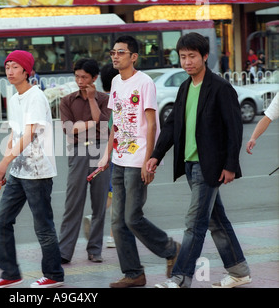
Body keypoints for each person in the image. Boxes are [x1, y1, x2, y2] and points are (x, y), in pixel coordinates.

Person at [146, 32, 251, 288]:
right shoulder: (184, 88)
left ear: (205, 57)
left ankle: (180, 278)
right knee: (217, 220)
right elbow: (171, 126)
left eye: (192, 56)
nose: (187, 62)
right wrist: (156, 155)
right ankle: (239, 271)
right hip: (191, 164)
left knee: (194, 224)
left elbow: (234, 130)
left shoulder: (220, 88)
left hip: (211, 166)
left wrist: (230, 166)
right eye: (183, 57)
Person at [97, 36, 180, 288]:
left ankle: (171, 248)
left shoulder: (144, 83)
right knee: (117, 221)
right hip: (119, 159)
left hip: (137, 159)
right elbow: (116, 122)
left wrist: (149, 161)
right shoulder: (114, 81)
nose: (115, 56)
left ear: (133, 56)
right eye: (113, 52)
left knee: (132, 217)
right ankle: (134, 273)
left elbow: (153, 124)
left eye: (120, 52)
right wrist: (106, 154)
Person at [0, 50, 64, 288]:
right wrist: (6, 164)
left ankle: (54, 275)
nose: (10, 71)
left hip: (38, 171)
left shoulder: (35, 97)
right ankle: (10, 273)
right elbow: (15, 132)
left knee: (43, 226)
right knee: (1, 221)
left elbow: (30, 133)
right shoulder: (14, 98)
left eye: (15, 67)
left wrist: (3, 162)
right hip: (18, 171)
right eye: (7, 66)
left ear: (26, 71)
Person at [58, 58, 111, 264]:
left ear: (94, 78)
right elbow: (69, 129)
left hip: (100, 152)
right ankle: (64, 250)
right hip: (78, 152)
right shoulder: (67, 101)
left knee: (99, 205)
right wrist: (92, 124)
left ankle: (95, 249)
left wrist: (91, 100)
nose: (80, 81)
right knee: (73, 203)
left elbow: (105, 126)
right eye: (77, 76)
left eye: (84, 77)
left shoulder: (104, 99)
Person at [99, 63, 119, 248]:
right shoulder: (117, 97)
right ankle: (113, 236)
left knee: (112, 194)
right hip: (119, 154)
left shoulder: (105, 99)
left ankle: (95, 216)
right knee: (118, 197)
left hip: (110, 153)